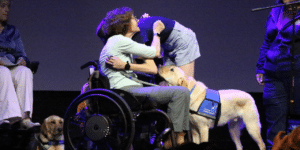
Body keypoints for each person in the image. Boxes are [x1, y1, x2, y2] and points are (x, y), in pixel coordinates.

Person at [97, 7, 191, 149]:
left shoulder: (119, 42)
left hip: (127, 90)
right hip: (126, 92)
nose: (137, 19)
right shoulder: (118, 40)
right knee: (180, 92)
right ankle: (176, 137)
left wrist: (127, 65)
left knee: (175, 91)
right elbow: (155, 52)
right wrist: (156, 32)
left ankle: (173, 136)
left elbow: (152, 67)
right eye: (134, 18)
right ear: (127, 25)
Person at [256, 0, 300, 148]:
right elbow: (268, 40)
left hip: (297, 74)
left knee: (297, 127)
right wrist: (261, 67)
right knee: (274, 126)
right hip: (273, 74)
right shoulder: (276, 9)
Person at [0, 0, 40, 129]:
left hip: (9, 65)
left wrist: (22, 60)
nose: (7, 10)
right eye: (2, 6)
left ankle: (25, 118)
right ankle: (4, 117)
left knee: (25, 71)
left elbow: (22, 54)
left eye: (8, 7)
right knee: (3, 72)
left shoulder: (12, 31)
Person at [132, 14, 201, 78]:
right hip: (167, 46)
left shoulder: (137, 33)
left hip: (182, 40)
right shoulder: (135, 32)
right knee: (168, 81)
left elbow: (154, 54)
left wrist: (125, 65)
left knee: (185, 82)